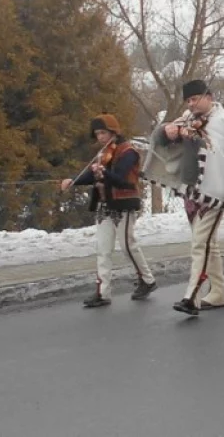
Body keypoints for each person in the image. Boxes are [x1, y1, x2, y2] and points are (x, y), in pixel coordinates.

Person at [144, 79, 224, 316]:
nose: (191, 104)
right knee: (209, 245)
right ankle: (219, 292)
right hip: (192, 191)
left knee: (199, 244)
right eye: (188, 101)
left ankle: (191, 296)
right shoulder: (187, 118)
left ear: (209, 96)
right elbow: (162, 139)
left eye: (194, 99)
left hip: (214, 193)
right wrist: (166, 130)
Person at [62, 113, 156, 308]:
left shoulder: (128, 151)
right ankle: (102, 293)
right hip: (105, 205)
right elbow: (91, 175)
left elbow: (121, 179)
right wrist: (74, 181)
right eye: (97, 134)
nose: (101, 138)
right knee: (103, 250)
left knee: (127, 245)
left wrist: (103, 172)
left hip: (124, 203)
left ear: (114, 132)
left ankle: (147, 279)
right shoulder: (102, 154)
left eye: (103, 133)